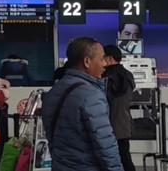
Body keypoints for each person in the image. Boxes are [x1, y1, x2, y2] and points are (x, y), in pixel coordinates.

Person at [40, 37, 123, 171]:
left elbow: (51, 137)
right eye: (101, 58)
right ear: (87, 61)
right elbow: (105, 144)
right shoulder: (91, 95)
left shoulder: (54, 91)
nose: (105, 64)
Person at [103, 44, 136, 171]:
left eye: (102, 57)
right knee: (125, 157)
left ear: (109, 58)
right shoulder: (128, 75)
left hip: (107, 124)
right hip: (124, 123)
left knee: (110, 159)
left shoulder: (105, 77)